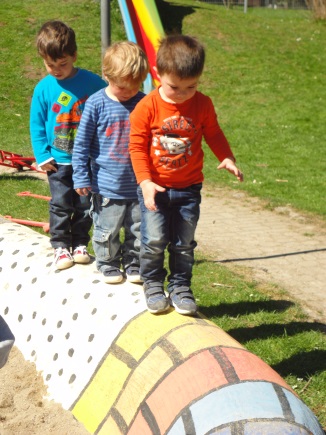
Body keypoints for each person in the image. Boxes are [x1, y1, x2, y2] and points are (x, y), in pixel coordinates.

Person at [129, 35, 244, 316]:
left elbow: (213, 133)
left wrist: (226, 156)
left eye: (191, 86)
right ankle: (153, 284)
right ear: (158, 75)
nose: (182, 93)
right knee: (153, 241)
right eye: (174, 87)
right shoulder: (147, 107)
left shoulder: (202, 104)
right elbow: (136, 147)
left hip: (189, 188)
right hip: (155, 188)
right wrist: (145, 182)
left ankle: (180, 287)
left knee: (183, 244)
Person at [30, 20, 106, 270]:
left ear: (74, 55)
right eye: (50, 65)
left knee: (85, 205)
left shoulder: (93, 83)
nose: (56, 69)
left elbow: (109, 104)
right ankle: (61, 247)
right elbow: (37, 124)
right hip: (58, 162)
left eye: (62, 64)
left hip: (87, 161)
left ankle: (81, 243)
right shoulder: (44, 88)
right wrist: (42, 155)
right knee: (61, 204)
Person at [72, 41, 150, 284]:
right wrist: (81, 176)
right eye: (121, 87)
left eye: (133, 86)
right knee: (108, 229)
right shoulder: (96, 103)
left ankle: (134, 263)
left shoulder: (144, 102)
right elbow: (81, 144)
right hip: (107, 186)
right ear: (106, 75)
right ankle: (107, 262)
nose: (127, 92)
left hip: (138, 186)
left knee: (138, 230)